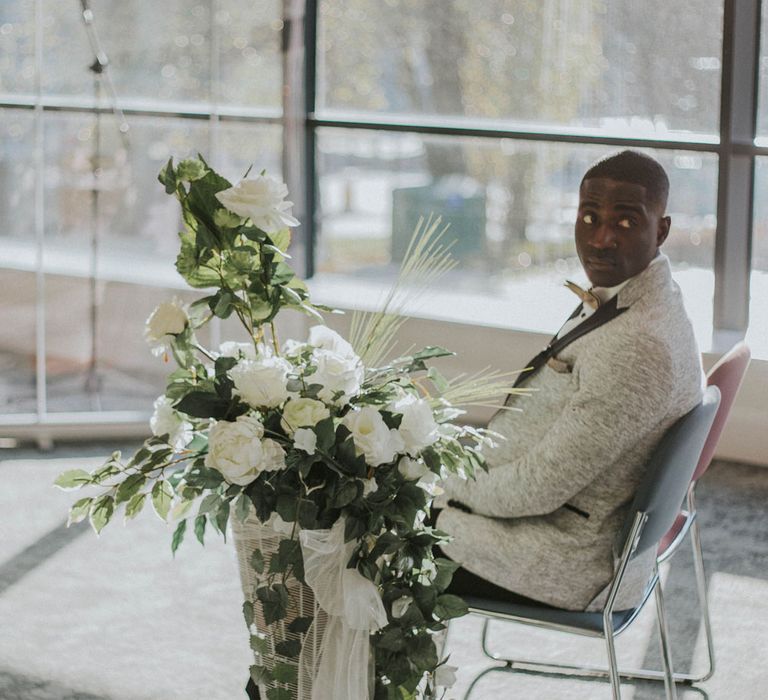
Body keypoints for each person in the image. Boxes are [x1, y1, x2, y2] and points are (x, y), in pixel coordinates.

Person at [435, 150, 703, 611]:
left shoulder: (639, 344)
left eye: (624, 222)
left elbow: (540, 486)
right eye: (589, 216)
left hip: (561, 557)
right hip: (548, 519)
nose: (600, 238)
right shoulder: (636, 296)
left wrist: (444, 482)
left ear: (661, 230)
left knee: (358, 535)